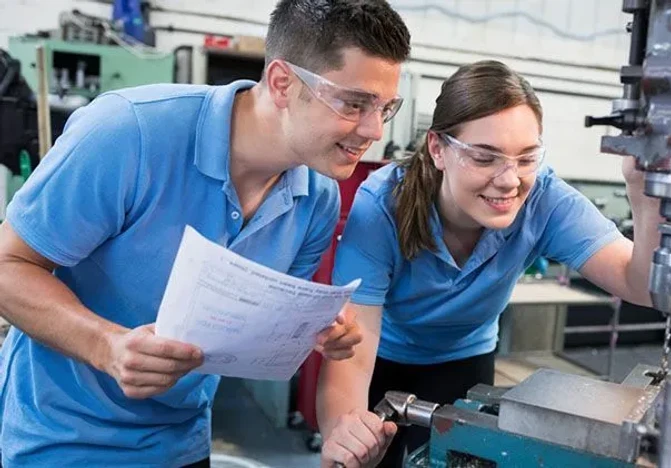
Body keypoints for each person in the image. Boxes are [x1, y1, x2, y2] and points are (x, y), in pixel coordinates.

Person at [0, 0, 410, 466]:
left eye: (385, 108)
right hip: (61, 440)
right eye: (353, 103)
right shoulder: (129, 132)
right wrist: (107, 346)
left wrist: (309, 332)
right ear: (281, 83)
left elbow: (246, 338)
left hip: (181, 442)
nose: (374, 130)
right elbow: (7, 266)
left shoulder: (317, 199)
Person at [317, 60, 663, 468]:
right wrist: (346, 437)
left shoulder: (545, 202)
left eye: (526, 157)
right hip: (382, 363)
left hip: (468, 362)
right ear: (438, 148)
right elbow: (352, 351)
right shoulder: (383, 205)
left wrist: (646, 194)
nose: (509, 180)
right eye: (485, 158)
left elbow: (640, 284)